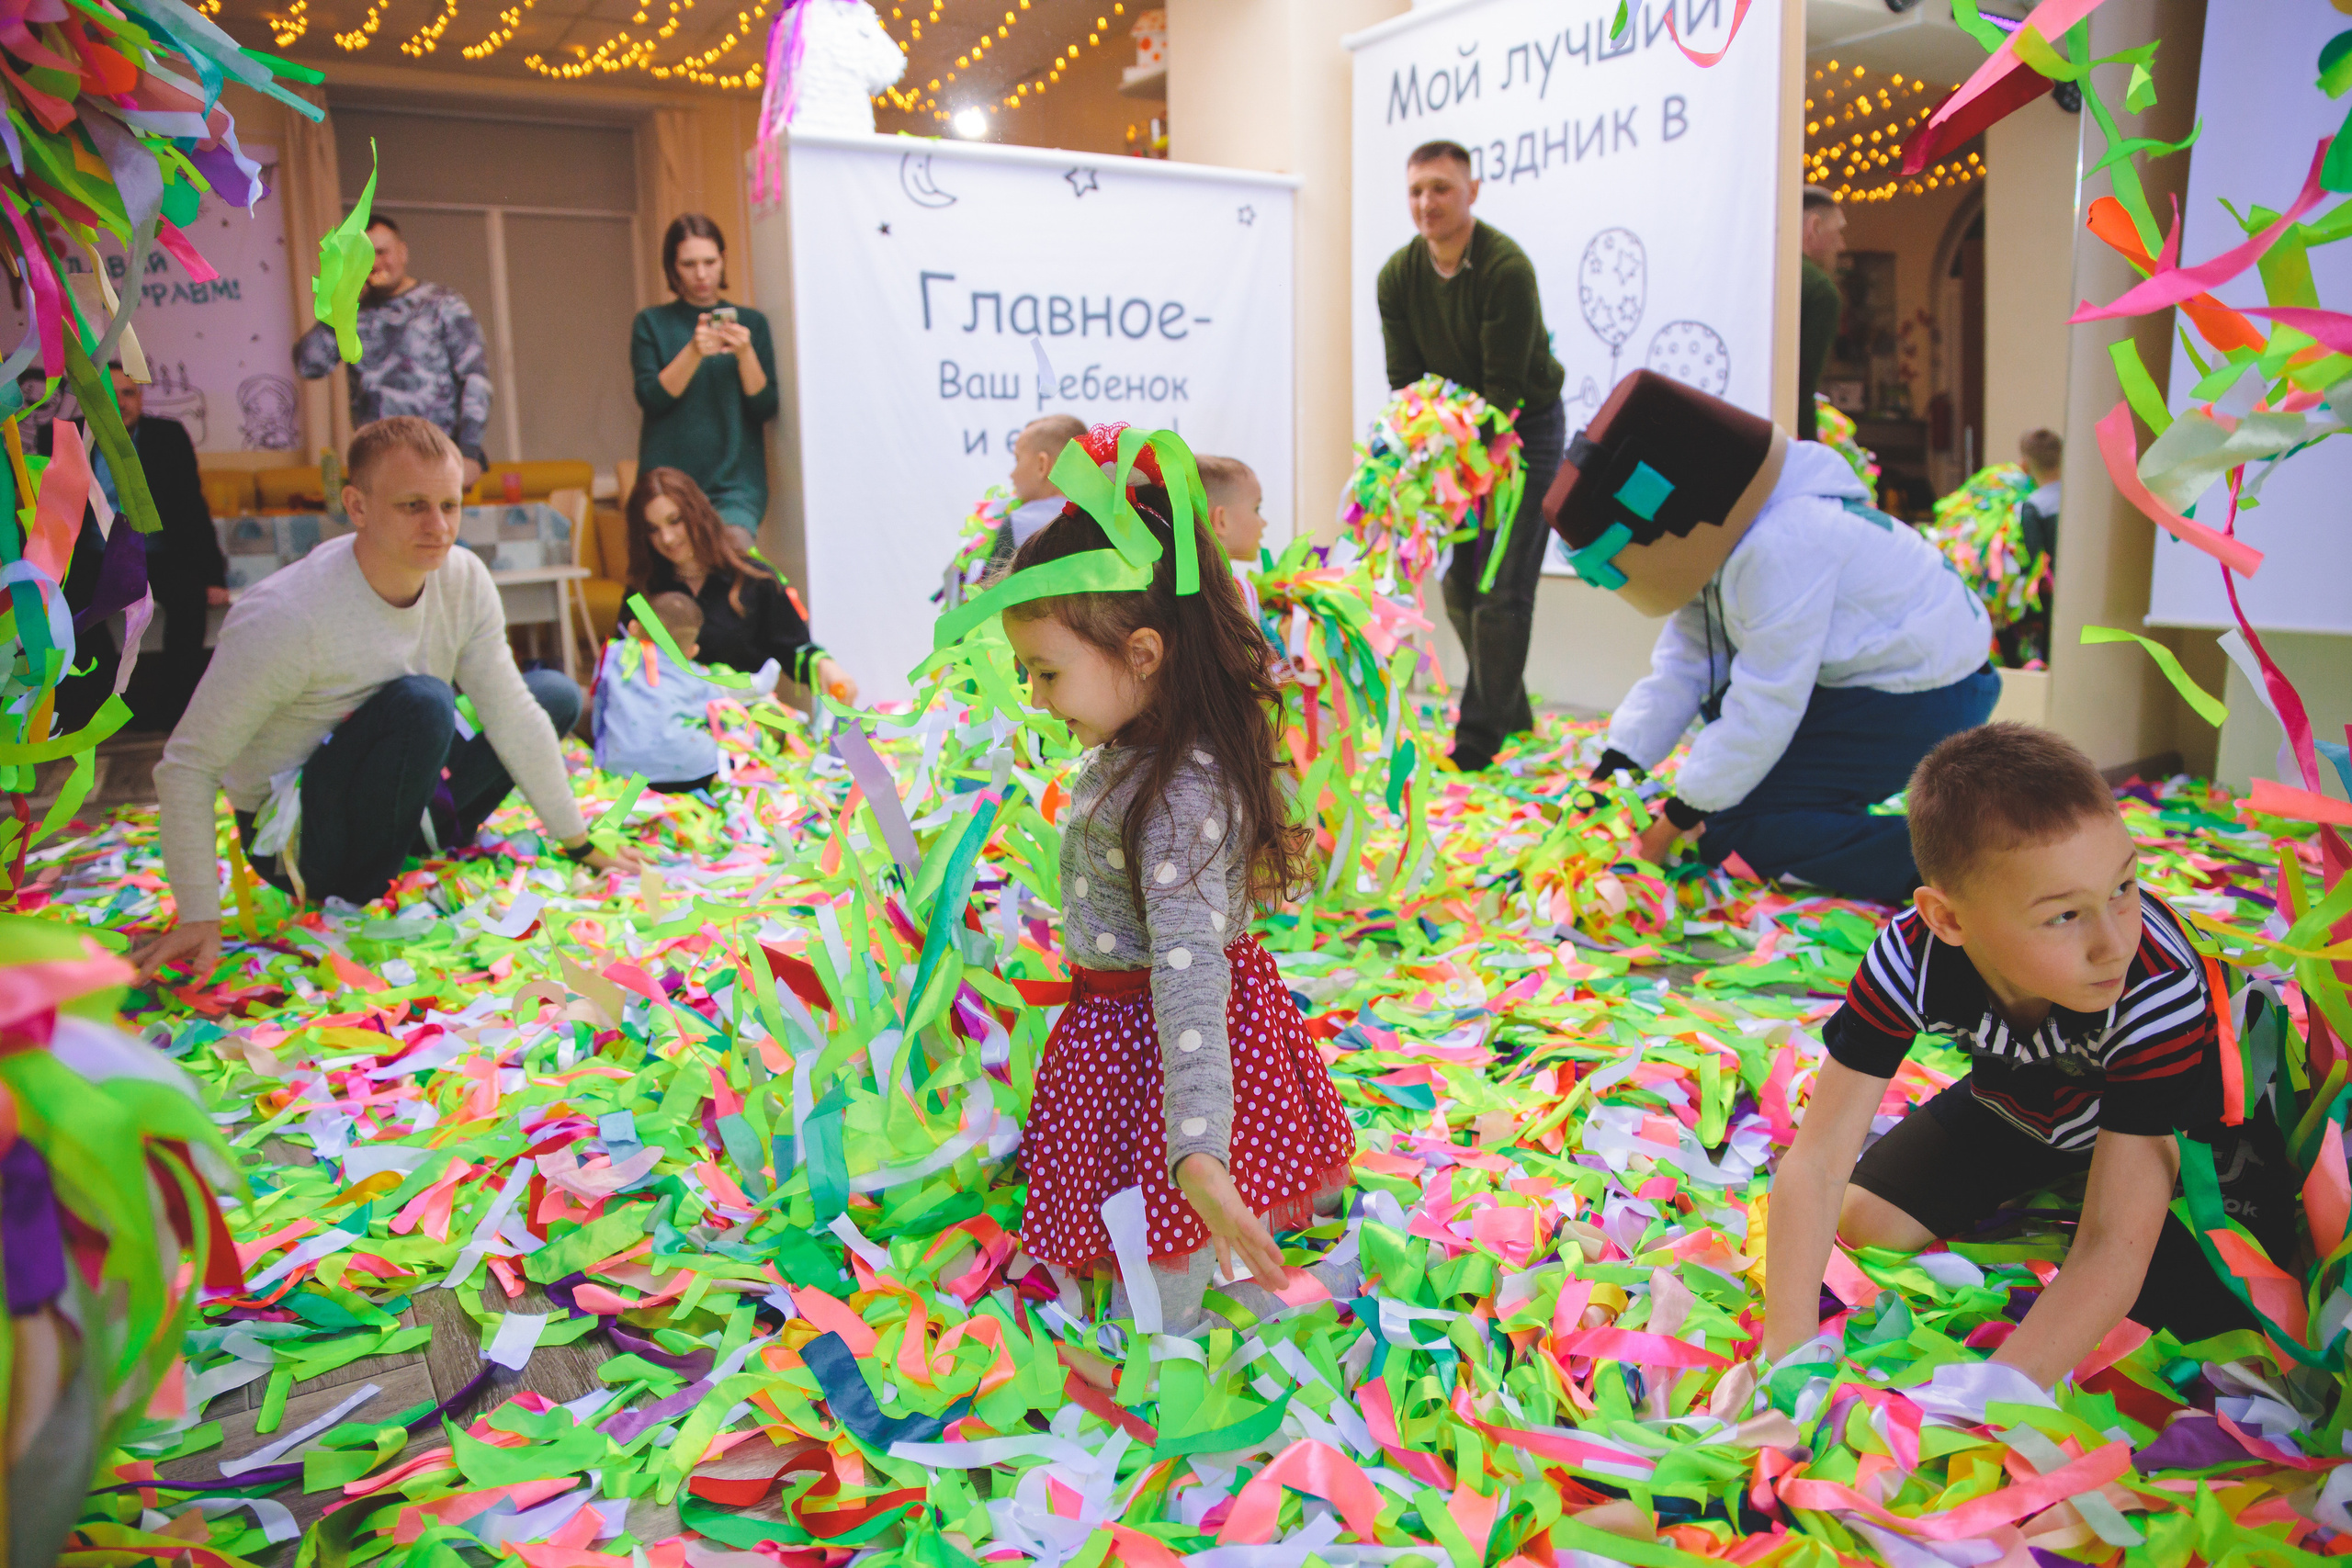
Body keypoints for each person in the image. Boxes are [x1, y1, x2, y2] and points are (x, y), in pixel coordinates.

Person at [1762, 724, 2295, 1386]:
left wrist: (1985, 1408)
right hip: (2030, 1103)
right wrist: (1784, 1368)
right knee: (1866, 1221)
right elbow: (1814, 1164)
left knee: (2205, 1334)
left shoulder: (2155, 981)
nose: (2112, 943)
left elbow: (2108, 1251)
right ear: (1948, 920)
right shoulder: (1908, 956)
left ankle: (2118, 1189)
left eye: (2123, 888)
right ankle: (2078, 1175)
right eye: (2064, 916)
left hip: (2188, 1136)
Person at [992, 427, 1356, 1334]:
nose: (1036, 697)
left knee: (1168, 1247)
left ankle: (1183, 1355)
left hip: (1165, 1044)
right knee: (1145, 1228)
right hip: (1125, 1031)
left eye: (1046, 672)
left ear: (1143, 655)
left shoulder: (1177, 785)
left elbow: (1189, 963)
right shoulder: (1137, 749)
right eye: (1025, 672)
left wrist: (1196, 1151)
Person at [132, 417, 644, 986]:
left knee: (551, 694)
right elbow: (187, 767)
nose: (439, 527)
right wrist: (201, 913)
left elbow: (512, 713)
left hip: (395, 782)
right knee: (423, 702)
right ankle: (368, 882)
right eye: (412, 506)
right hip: (297, 839)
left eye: (450, 505)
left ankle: (415, 844)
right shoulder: (285, 616)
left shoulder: (462, 578)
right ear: (356, 506)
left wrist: (578, 842)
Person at [1549, 369, 1996, 905]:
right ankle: (1810, 812)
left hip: (1931, 693)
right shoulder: (1722, 534)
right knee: (1726, 784)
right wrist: (1613, 772)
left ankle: (1967, 863)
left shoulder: (1782, 544)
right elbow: (1686, 663)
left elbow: (1766, 703)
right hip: (1880, 679)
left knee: (1734, 828)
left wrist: (1668, 828)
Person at [1377, 140, 1568, 773]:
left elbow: (1504, 393)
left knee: (1500, 585)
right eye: (1416, 191)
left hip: (1523, 429)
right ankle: (1508, 707)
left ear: (1472, 192)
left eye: (1441, 188)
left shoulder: (1505, 268)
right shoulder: (1397, 277)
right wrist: (1422, 456)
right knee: (1459, 581)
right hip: (1455, 439)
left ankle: (1480, 735)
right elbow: (1406, 383)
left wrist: (1468, 454)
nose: (1427, 202)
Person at [45, 362, 228, 734]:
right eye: (108, 395)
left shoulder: (168, 436)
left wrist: (212, 576)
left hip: (157, 555)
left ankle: (175, 710)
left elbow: (191, 507)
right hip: (93, 558)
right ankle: (112, 704)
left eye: (128, 393)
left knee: (190, 600)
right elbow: (47, 512)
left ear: (141, 398)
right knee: (69, 610)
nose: (120, 403)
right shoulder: (63, 439)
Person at [623, 466, 856, 705]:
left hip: (744, 726)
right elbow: (624, 669)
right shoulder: (642, 592)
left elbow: (795, 650)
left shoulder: (755, 579)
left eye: (675, 521)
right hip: (665, 725)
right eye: (653, 529)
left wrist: (827, 668)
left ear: (697, 513)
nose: (667, 538)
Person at [293, 217, 492, 487]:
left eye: (381, 252)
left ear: (402, 252)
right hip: (377, 461)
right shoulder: (352, 313)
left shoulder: (442, 304)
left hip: (438, 455)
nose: (375, 264)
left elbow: (475, 377)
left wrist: (469, 449)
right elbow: (308, 365)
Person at [631, 215, 779, 552]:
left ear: (723, 260)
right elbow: (652, 399)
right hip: (667, 487)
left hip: (735, 485)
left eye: (710, 262)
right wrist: (694, 352)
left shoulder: (753, 324)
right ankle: (644, 608)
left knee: (734, 565)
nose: (701, 275)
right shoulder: (651, 323)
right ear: (672, 267)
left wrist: (745, 354)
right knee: (651, 589)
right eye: (689, 264)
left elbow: (765, 407)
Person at [593, 591, 768, 794]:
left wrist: (601, 753)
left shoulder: (612, 656)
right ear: (692, 651)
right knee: (744, 735)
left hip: (623, 774)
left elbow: (600, 703)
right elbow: (721, 714)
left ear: (633, 627)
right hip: (689, 772)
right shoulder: (693, 674)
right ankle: (751, 690)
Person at [1796, 186, 1846, 444]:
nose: (1842, 244)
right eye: (1838, 231)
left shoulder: (1753, 268)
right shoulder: (1819, 291)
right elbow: (1800, 391)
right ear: (1813, 227)